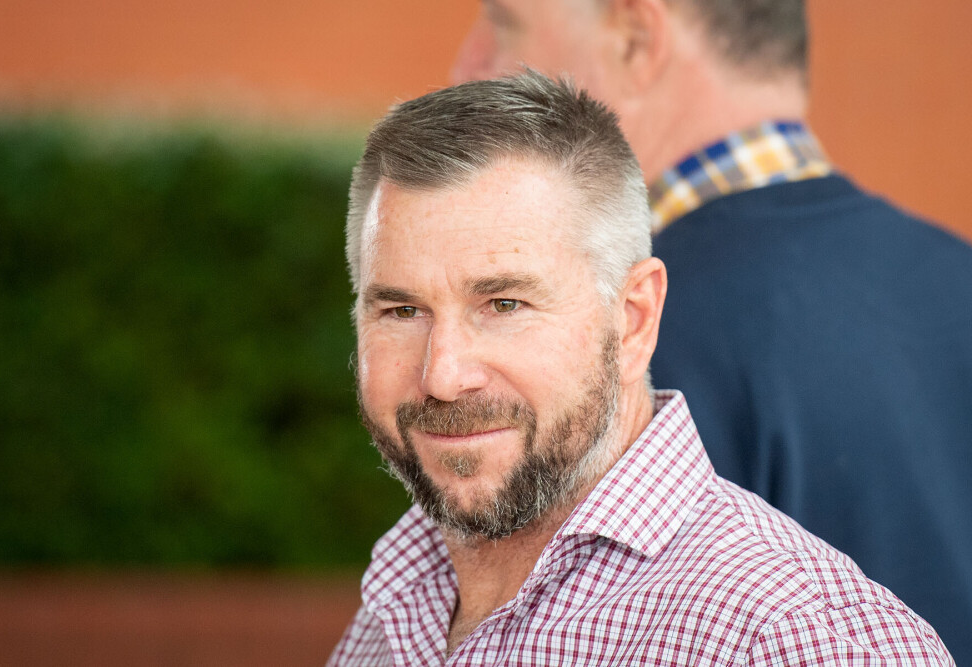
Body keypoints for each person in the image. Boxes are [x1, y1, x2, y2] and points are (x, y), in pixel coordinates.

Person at [328, 72, 953, 666]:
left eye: (505, 304)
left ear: (633, 319)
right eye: (402, 310)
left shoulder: (799, 641)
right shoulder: (398, 602)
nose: (442, 376)